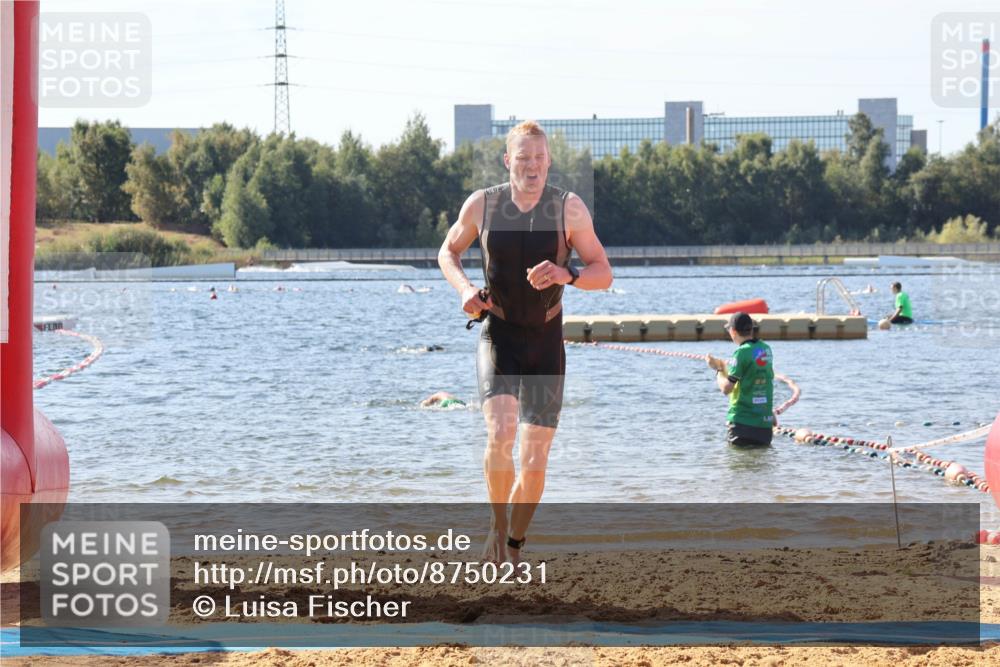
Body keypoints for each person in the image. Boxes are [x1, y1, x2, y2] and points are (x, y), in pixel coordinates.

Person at [438, 120, 612, 563]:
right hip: (499, 334)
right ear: (507, 161)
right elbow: (448, 251)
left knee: (534, 459)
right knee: (501, 434)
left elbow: (603, 272)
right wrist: (464, 290)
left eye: (539, 158)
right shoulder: (483, 204)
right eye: (523, 158)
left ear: (549, 161)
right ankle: (497, 529)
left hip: (546, 341)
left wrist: (566, 274)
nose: (532, 167)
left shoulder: (569, 209)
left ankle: (514, 543)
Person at [706, 312, 775, 447]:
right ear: (751, 329)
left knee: (737, 459)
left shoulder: (741, 353)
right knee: (761, 458)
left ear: (733, 331)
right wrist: (770, 412)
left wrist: (718, 369)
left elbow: (726, 388)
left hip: (742, 423)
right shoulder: (766, 349)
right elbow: (764, 380)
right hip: (764, 424)